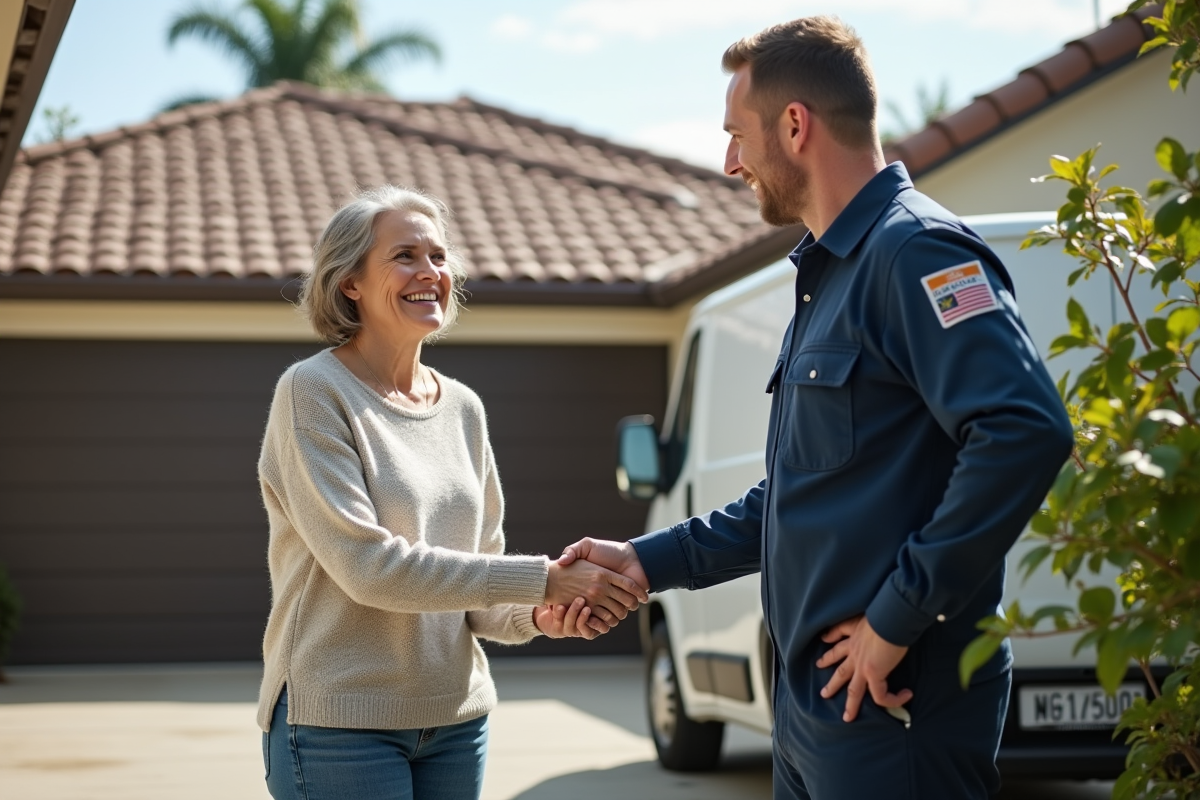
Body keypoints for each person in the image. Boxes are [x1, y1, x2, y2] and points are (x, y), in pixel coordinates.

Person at [560, 16, 1075, 800]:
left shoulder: (917, 252)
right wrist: (645, 561)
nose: (730, 162)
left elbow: (1024, 430)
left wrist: (897, 618)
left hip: (895, 710)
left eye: (738, 136)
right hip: (812, 712)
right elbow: (802, 494)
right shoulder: (828, 275)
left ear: (795, 126)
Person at [256, 185, 648, 800]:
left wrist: (542, 615)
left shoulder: (463, 407)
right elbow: (369, 570)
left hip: (457, 722)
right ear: (350, 282)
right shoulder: (312, 392)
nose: (430, 272)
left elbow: (481, 582)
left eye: (438, 257)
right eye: (405, 256)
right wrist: (545, 579)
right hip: (340, 724)